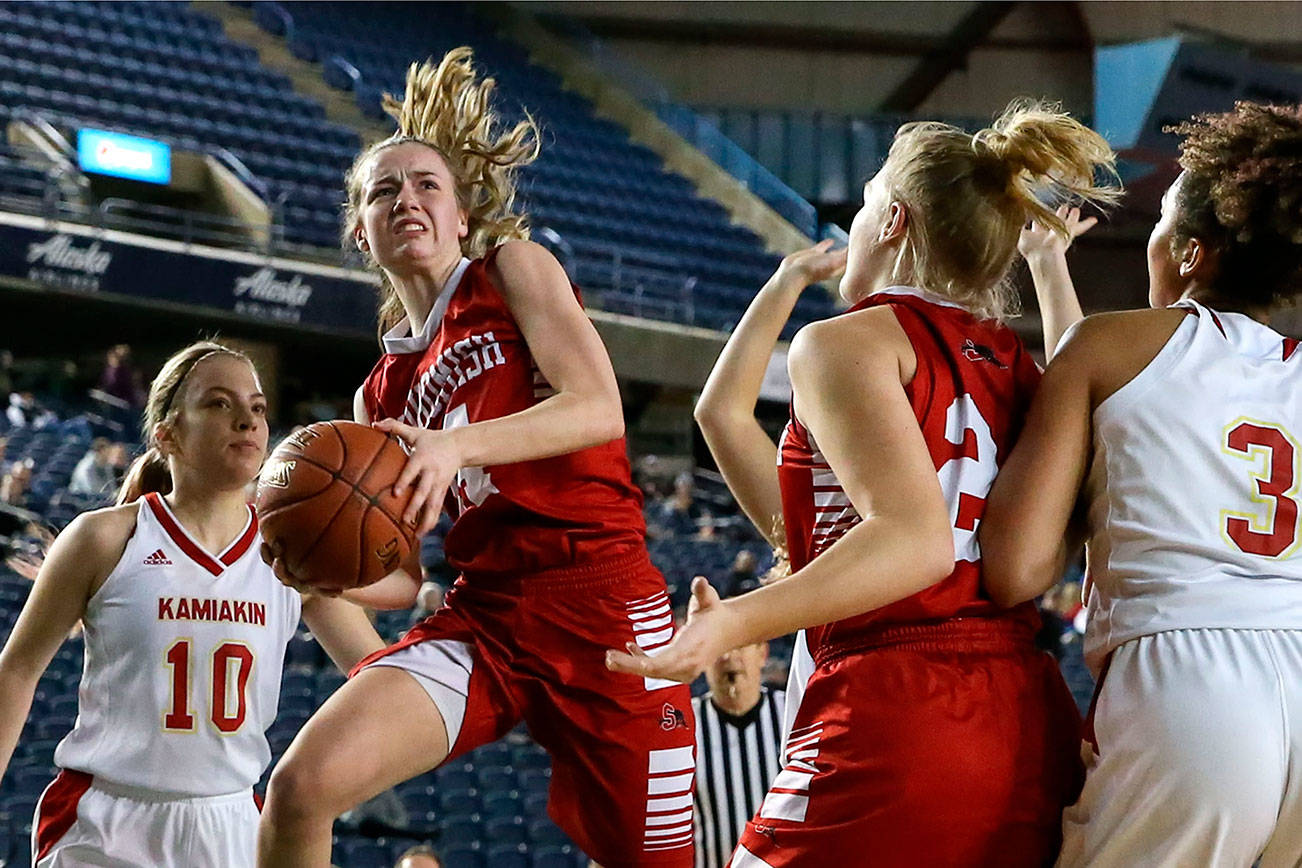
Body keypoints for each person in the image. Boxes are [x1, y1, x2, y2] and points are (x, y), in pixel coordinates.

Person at [611, 100, 1118, 865]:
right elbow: (721, 418)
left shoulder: (846, 345)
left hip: (899, 704)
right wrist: (1049, 264)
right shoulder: (1023, 370)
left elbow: (916, 545)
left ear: (892, 222)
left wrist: (737, 622)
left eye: (867, 198)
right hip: (1020, 714)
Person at [258, 48, 695, 868]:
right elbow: (396, 573)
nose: (407, 198)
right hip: (486, 615)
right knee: (300, 787)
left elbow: (597, 407)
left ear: (462, 217)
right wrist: (324, 575)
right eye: (383, 190)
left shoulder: (512, 271)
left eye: (428, 184)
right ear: (361, 231)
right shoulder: (376, 398)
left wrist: (456, 443)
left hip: (604, 604)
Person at [982, 101, 1302, 866]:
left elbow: (1017, 569)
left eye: (1160, 220)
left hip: (1190, 687)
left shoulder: (1109, 343)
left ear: (1190, 253)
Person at [0, 341, 385, 867]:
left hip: (232, 822)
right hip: (107, 817)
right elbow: (18, 670)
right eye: (219, 404)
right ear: (168, 434)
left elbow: (378, 677)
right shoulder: (105, 538)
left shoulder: (289, 555)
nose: (246, 421)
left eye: (256, 407)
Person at [692, 628, 785, 868]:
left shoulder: (793, 714)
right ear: (702, 660)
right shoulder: (684, 727)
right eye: (718, 647)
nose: (728, 656)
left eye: (739, 644)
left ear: (762, 654)